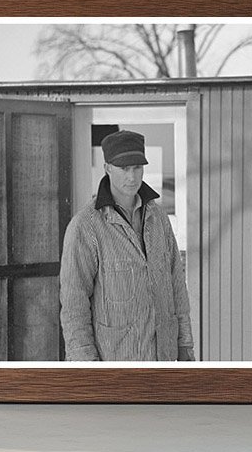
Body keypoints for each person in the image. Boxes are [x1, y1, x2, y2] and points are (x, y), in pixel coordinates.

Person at [59, 129, 195, 362]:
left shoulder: (159, 219)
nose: (132, 177)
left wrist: (184, 345)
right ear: (107, 168)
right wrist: (85, 366)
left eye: (137, 168)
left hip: (164, 359)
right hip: (114, 362)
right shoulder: (86, 227)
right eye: (124, 169)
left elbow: (176, 286)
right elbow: (74, 305)